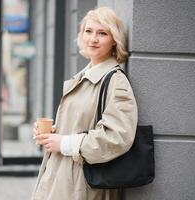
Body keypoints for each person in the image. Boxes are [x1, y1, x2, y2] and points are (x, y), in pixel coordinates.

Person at [32, 7, 138, 200]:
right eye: (88, 31)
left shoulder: (115, 81)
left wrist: (64, 143)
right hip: (60, 175)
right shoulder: (84, 76)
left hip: (82, 185)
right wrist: (53, 133)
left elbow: (118, 137)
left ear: (114, 39)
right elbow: (81, 123)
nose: (93, 39)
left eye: (102, 33)